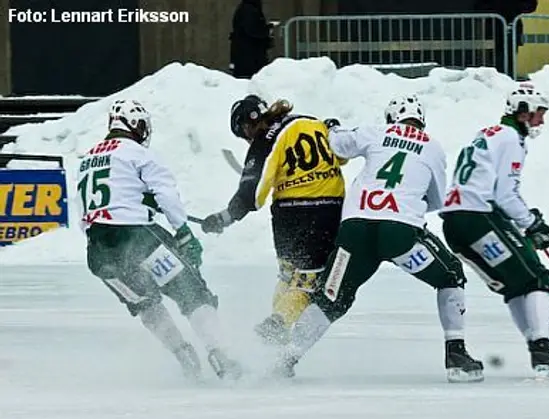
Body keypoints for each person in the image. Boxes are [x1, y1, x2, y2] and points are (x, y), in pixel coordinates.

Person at [276, 95, 484, 383]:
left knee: (330, 299)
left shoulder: (377, 132)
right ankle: (456, 353)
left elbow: (336, 141)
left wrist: (332, 125)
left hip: (354, 232)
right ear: (421, 120)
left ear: (391, 119)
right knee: (451, 276)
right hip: (398, 234)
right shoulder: (432, 146)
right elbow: (436, 201)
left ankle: (286, 357)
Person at [76, 99, 240, 381]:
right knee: (191, 290)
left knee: (146, 303)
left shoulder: (88, 159)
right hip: (138, 238)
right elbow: (166, 194)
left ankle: (184, 356)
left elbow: (89, 211)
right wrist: (184, 233)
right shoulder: (138, 154)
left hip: (99, 254)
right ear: (135, 124)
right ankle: (220, 354)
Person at [439, 82, 549, 378]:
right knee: (537, 277)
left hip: (455, 224)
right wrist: (532, 223)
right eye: (538, 113)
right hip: (478, 216)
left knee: (517, 284)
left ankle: (537, 346)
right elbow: (504, 194)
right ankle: (541, 346)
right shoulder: (511, 139)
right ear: (521, 112)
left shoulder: (489, 134)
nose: (541, 121)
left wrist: (523, 220)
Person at [201, 95, 345, 346]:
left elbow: (253, 194)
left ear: (248, 125)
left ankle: (277, 325)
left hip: (289, 214)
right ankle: (279, 324)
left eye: (243, 134)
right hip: (327, 209)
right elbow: (343, 154)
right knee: (306, 280)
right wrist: (333, 126)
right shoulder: (313, 123)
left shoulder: (264, 140)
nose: (247, 140)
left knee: (288, 276)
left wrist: (225, 217)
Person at [474, 0, 538, 76]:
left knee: (509, 59)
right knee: (495, 60)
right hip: (495, 29)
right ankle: (500, 81)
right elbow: (478, 7)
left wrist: (515, 8)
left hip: (511, 28)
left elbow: (531, 5)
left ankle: (507, 81)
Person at [229, 0, 274, 79]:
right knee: (250, 77)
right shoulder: (249, 10)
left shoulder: (247, 8)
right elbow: (253, 30)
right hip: (249, 52)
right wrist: (267, 30)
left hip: (247, 50)